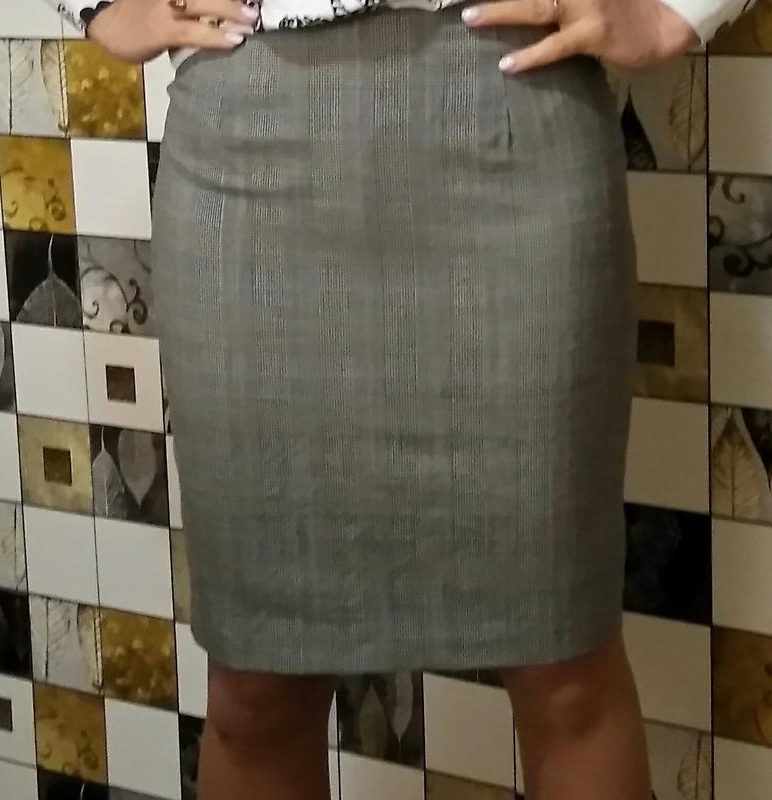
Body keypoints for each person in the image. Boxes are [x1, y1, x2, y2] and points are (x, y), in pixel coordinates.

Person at [45, 0, 754, 798]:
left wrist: (676, 11)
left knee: (565, 674)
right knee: (255, 687)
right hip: (244, 145)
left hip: (518, 108)